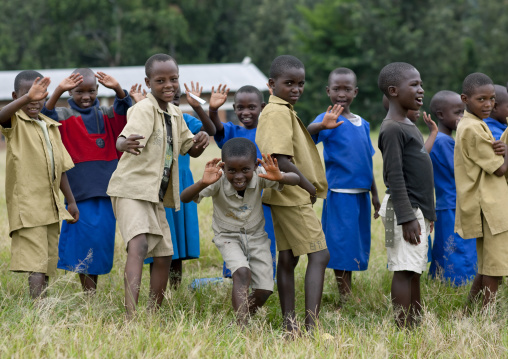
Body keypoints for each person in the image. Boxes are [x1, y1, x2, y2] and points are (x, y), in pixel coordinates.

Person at [106, 53, 209, 318]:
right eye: (160, 80)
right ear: (148, 82)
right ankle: (130, 316)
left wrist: (200, 141)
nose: (169, 85)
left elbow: (190, 150)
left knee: (164, 255)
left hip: (156, 195)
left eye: (173, 79)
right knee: (138, 245)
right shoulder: (144, 108)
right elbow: (123, 138)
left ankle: (152, 314)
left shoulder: (176, 113)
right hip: (131, 189)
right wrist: (123, 144)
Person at [255, 55, 342, 333]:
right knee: (320, 255)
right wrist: (307, 185)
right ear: (271, 84)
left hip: (284, 194)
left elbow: (291, 143)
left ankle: (290, 326)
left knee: (289, 257)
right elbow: (280, 158)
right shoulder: (277, 112)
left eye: (301, 83)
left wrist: (317, 127)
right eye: (289, 83)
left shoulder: (283, 110)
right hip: (291, 195)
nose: (296, 89)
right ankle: (311, 326)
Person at [181, 139, 300, 326]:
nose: (238, 176)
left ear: (255, 166)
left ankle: (237, 322)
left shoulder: (261, 174)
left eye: (245, 170)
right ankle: (242, 328)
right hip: (228, 237)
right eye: (231, 170)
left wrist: (281, 177)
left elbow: (296, 179)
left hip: (257, 237)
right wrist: (202, 183)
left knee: (265, 290)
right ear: (224, 167)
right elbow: (184, 197)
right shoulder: (217, 179)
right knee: (242, 272)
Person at [41, 68, 132, 293]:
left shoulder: (106, 114)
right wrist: (58, 90)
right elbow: (46, 114)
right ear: (70, 92)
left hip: (107, 190)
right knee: (84, 240)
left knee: (100, 242)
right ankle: (87, 293)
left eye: (91, 91)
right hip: (79, 191)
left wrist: (118, 89)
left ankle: (91, 291)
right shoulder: (64, 115)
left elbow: (125, 111)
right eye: (78, 91)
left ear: (98, 90)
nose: (85, 96)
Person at [0, 71, 79, 299]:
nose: (35, 100)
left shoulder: (50, 125)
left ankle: (43, 302)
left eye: (41, 95)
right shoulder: (14, 122)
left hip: (51, 205)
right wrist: (25, 99)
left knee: (46, 260)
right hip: (28, 205)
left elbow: (61, 167)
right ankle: (38, 308)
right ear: (16, 96)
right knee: (35, 261)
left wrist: (71, 201)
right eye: (28, 95)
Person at [307, 67, 380, 303]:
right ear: (328, 91)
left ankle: (348, 290)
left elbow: (367, 163)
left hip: (361, 195)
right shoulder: (327, 118)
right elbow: (307, 136)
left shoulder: (364, 124)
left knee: (355, 243)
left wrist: (375, 195)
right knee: (340, 243)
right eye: (336, 88)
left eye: (347, 89)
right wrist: (321, 126)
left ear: (355, 92)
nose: (341, 93)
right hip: (340, 194)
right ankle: (345, 295)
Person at [132, 82, 215, 288]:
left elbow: (211, 129)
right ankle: (158, 287)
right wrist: (141, 105)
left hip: (181, 184)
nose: (172, 100)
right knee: (159, 242)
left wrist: (197, 106)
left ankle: (175, 290)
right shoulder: (147, 115)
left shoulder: (184, 119)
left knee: (177, 240)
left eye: (177, 98)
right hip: (157, 184)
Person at [377, 62, 436, 329]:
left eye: (420, 83)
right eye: (414, 84)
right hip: (405, 209)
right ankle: (404, 328)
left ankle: (415, 322)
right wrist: (407, 217)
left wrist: (427, 214)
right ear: (393, 91)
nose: (421, 89)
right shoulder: (391, 128)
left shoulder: (407, 124)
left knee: (414, 269)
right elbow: (394, 176)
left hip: (415, 210)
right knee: (403, 269)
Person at [202, 84, 278, 279]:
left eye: (251, 107)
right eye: (240, 108)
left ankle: (264, 278)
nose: (246, 112)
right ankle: (237, 277)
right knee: (236, 238)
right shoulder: (231, 131)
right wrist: (213, 109)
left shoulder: (269, 131)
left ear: (262, 107)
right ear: (234, 108)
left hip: (262, 199)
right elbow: (216, 128)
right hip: (235, 202)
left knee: (264, 238)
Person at [455, 73, 508, 310]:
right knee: (494, 268)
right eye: (481, 99)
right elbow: (500, 169)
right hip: (490, 206)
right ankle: (485, 317)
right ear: (465, 99)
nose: (488, 104)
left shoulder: (474, 124)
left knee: (487, 265)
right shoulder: (473, 128)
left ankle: (469, 312)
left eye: (492, 99)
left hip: (489, 204)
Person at [428, 91, 477, 285]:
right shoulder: (444, 141)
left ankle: (441, 278)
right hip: (454, 204)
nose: (462, 117)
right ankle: (460, 281)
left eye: (464, 112)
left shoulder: (440, 139)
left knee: (446, 243)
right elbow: (461, 172)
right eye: (457, 112)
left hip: (445, 202)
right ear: (440, 115)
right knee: (458, 246)